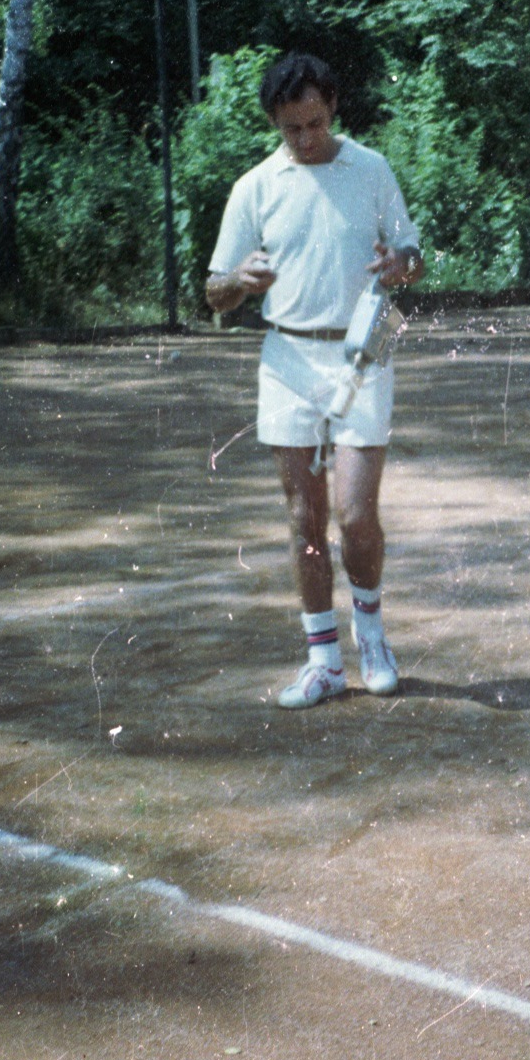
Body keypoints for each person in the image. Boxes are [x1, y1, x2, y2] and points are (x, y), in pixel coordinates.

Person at [206, 53, 425, 707]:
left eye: (316, 123)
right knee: (306, 519)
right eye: (291, 128)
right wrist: (239, 284)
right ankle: (325, 661)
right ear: (274, 121)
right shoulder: (255, 186)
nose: (305, 139)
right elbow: (215, 291)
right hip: (288, 362)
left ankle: (374, 640)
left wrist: (399, 266)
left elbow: (411, 255)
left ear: (333, 110)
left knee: (358, 516)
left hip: (365, 352)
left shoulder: (371, 168)